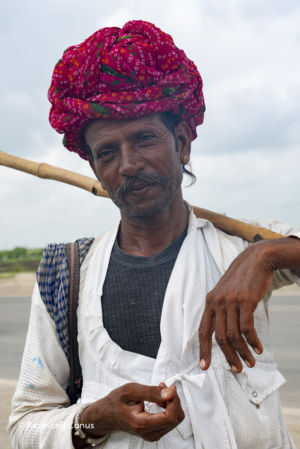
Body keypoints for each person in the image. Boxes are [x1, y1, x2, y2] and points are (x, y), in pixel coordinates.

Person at [8, 20, 300, 449]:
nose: (128, 164)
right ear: (94, 168)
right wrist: (94, 419)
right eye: (107, 152)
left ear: (182, 142)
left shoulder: (244, 247)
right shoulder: (65, 275)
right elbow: (23, 426)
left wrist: (268, 258)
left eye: (144, 138)